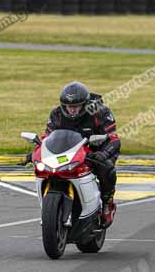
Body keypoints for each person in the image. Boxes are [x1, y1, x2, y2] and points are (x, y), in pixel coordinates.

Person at [28, 81, 120, 226]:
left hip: (97, 149)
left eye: (75, 106)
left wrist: (104, 154)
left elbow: (114, 139)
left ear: (84, 104)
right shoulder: (57, 113)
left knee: (106, 169)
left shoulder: (100, 112)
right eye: (69, 106)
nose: (72, 110)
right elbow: (47, 136)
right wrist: (36, 152)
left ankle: (108, 203)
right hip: (69, 150)